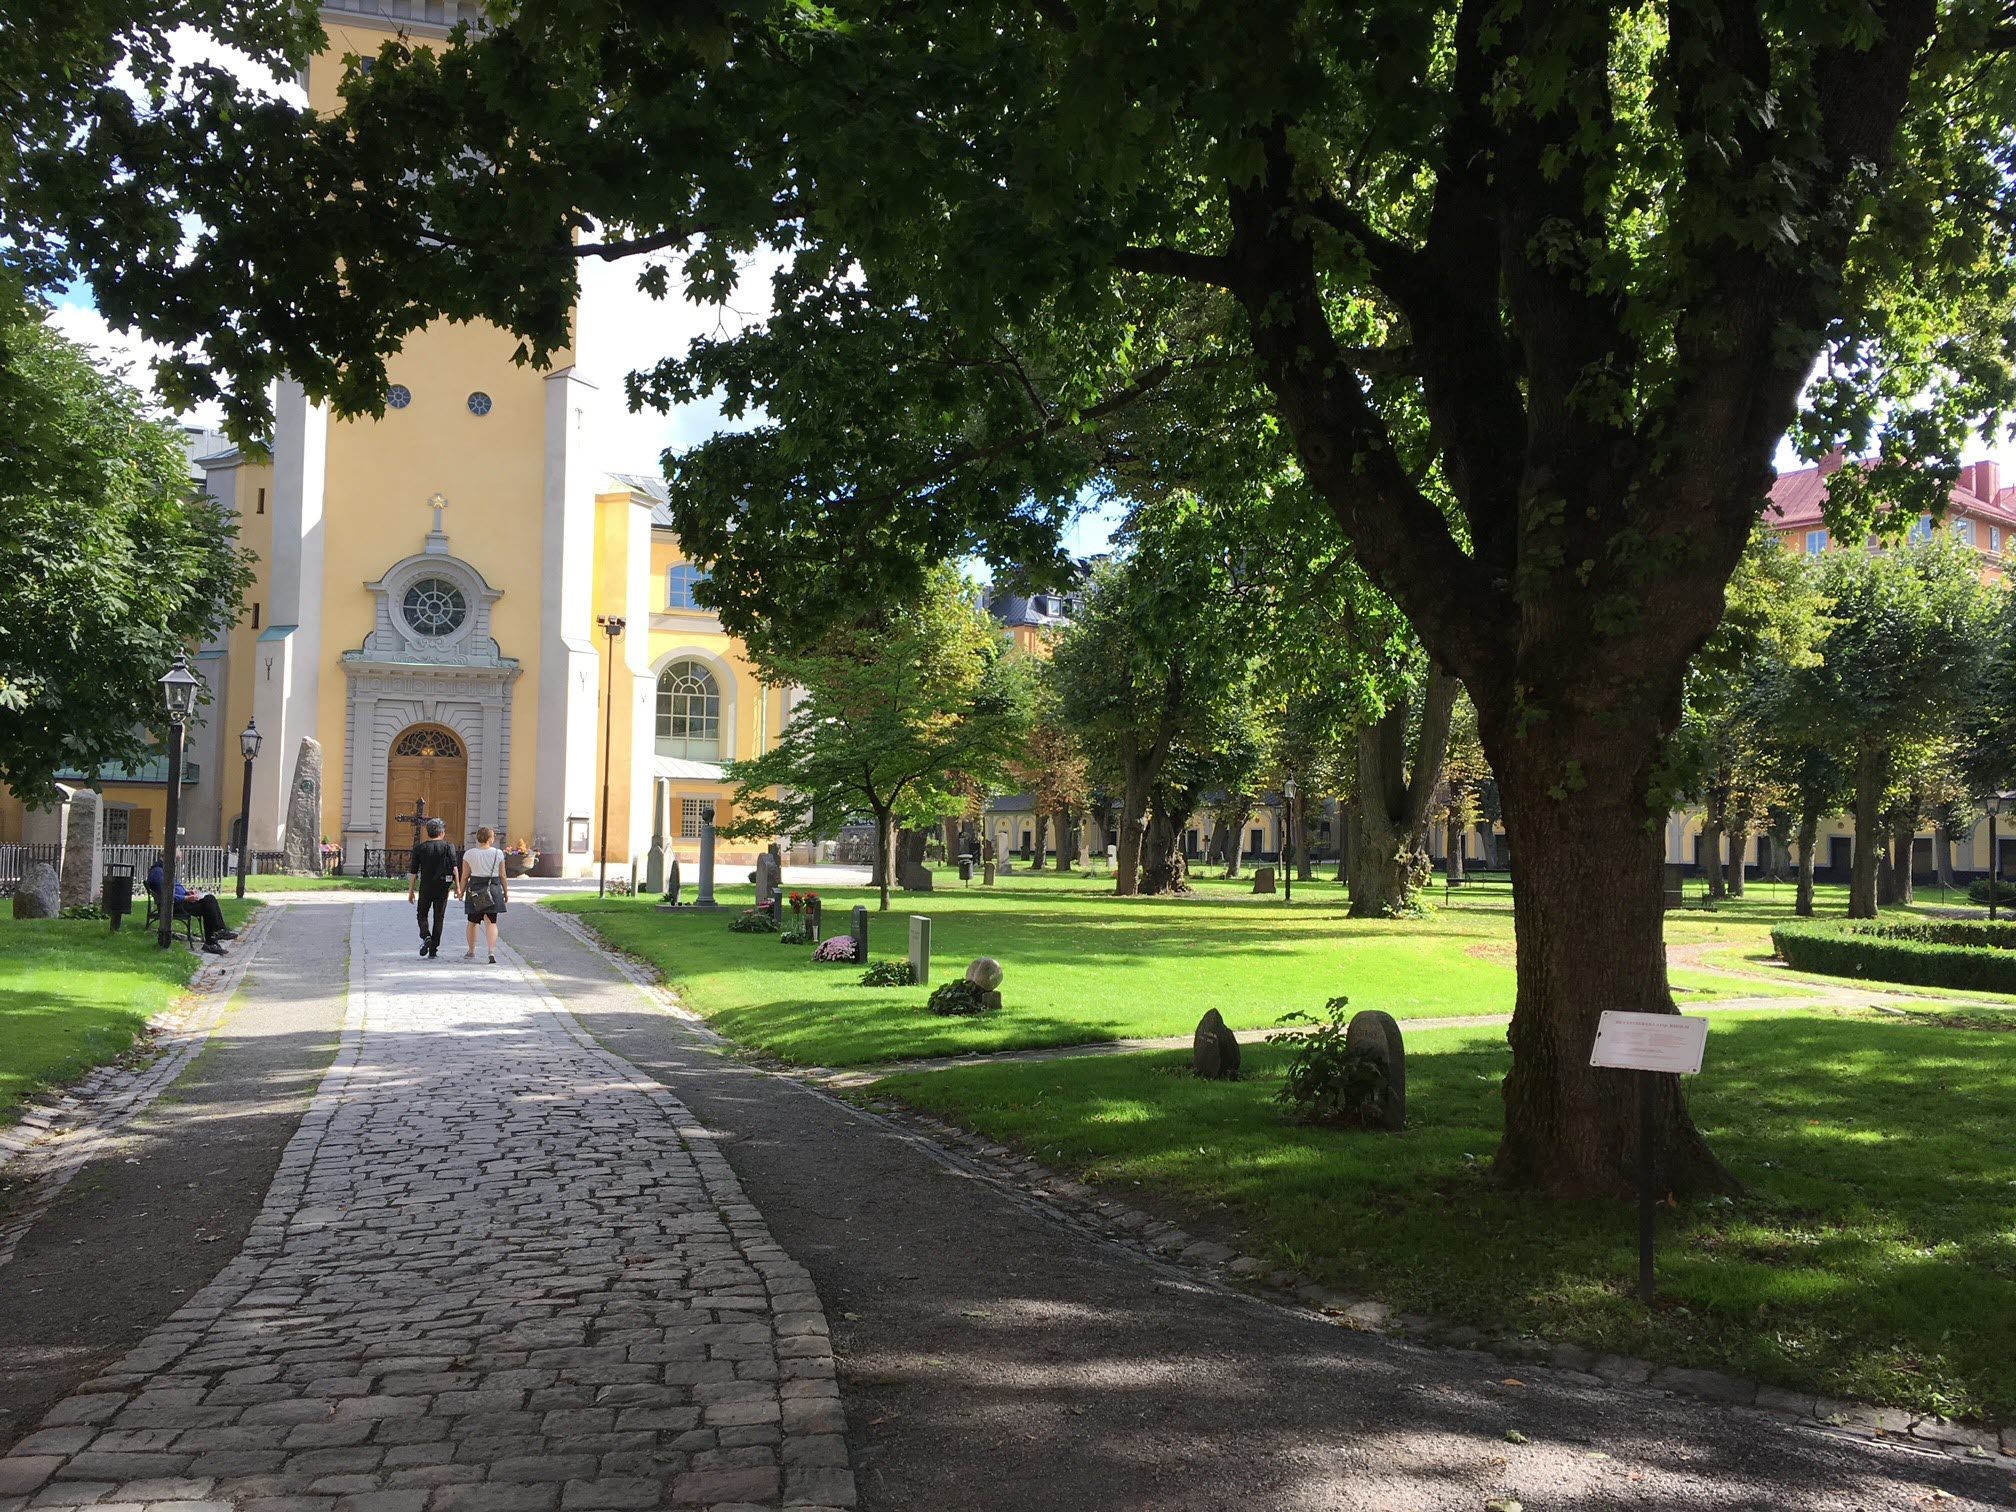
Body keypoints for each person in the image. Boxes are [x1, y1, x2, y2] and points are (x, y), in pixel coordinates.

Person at [144, 860, 237, 955]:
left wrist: (187, 892)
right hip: (175, 906)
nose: (176, 863)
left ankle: (216, 936)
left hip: (180, 902)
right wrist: (186, 898)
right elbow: (166, 895)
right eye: (176, 859)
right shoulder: (158, 872)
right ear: (166, 857)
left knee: (209, 901)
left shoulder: (164, 870)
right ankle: (215, 937)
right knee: (209, 903)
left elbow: (173, 890)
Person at [406, 817, 461, 958]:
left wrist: (411, 891)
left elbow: (413, 872)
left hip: (426, 886)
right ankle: (434, 948)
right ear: (442, 832)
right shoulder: (449, 847)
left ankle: (426, 936)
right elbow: (455, 868)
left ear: (428, 832)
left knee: (422, 914)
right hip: (443, 887)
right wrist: (458, 887)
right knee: (439, 917)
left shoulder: (420, 848)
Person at [458, 825, 508, 963]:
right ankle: (491, 951)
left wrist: (460, 891)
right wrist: (506, 891)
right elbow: (503, 875)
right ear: (490, 838)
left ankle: (471, 950)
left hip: (475, 888)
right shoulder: (498, 853)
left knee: (473, 922)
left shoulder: (469, 854)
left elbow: (465, 876)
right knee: (491, 921)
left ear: (477, 838)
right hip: (492, 887)